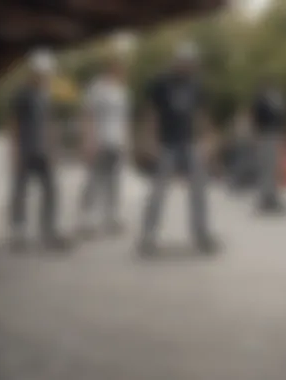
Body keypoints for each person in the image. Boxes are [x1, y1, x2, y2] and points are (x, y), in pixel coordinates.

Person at [138, 41, 219, 255]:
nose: (189, 67)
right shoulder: (161, 83)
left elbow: (201, 114)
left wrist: (209, 138)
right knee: (158, 191)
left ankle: (201, 235)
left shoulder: (196, 84)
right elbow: (151, 113)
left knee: (199, 190)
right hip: (166, 143)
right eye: (185, 63)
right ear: (177, 62)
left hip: (189, 143)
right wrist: (148, 140)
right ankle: (148, 235)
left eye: (191, 64)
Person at [9, 49, 64, 251]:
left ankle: (47, 230)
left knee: (50, 191)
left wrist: (54, 148)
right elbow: (14, 123)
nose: (46, 76)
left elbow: (50, 122)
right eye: (43, 73)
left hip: (43, 150)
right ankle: (18, 231)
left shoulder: (46, 94)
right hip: (26, 148)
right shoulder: (22, 94)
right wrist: (14, 150)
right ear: (34, 72)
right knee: (21, 190)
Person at [78, 54, 130, 235]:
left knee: (114, 182)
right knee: (94, 180)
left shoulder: (121, 90)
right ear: (110, 68)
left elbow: (123, 119)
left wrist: (126, 141)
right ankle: (87, 218)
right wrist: (88, 141)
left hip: (116, 141)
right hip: (99, 140)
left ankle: (111, 216)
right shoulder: (97, 88)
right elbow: (88, 115)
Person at [252, 78, 286, 212]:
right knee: (266, 167)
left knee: (273, 167)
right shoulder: (260, 101)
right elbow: (257, 119)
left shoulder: (275, 101)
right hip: (265, 135)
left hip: (274, 134)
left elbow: (281, 118)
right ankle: (265, 198)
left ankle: (272, 196)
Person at [230, 108, 255, 191]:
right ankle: (237, 182)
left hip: (245, 145)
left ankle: (242, 182)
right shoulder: (240, 121)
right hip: (241, 145)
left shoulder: (245, 121)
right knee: (240, 164)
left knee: (244, 163)